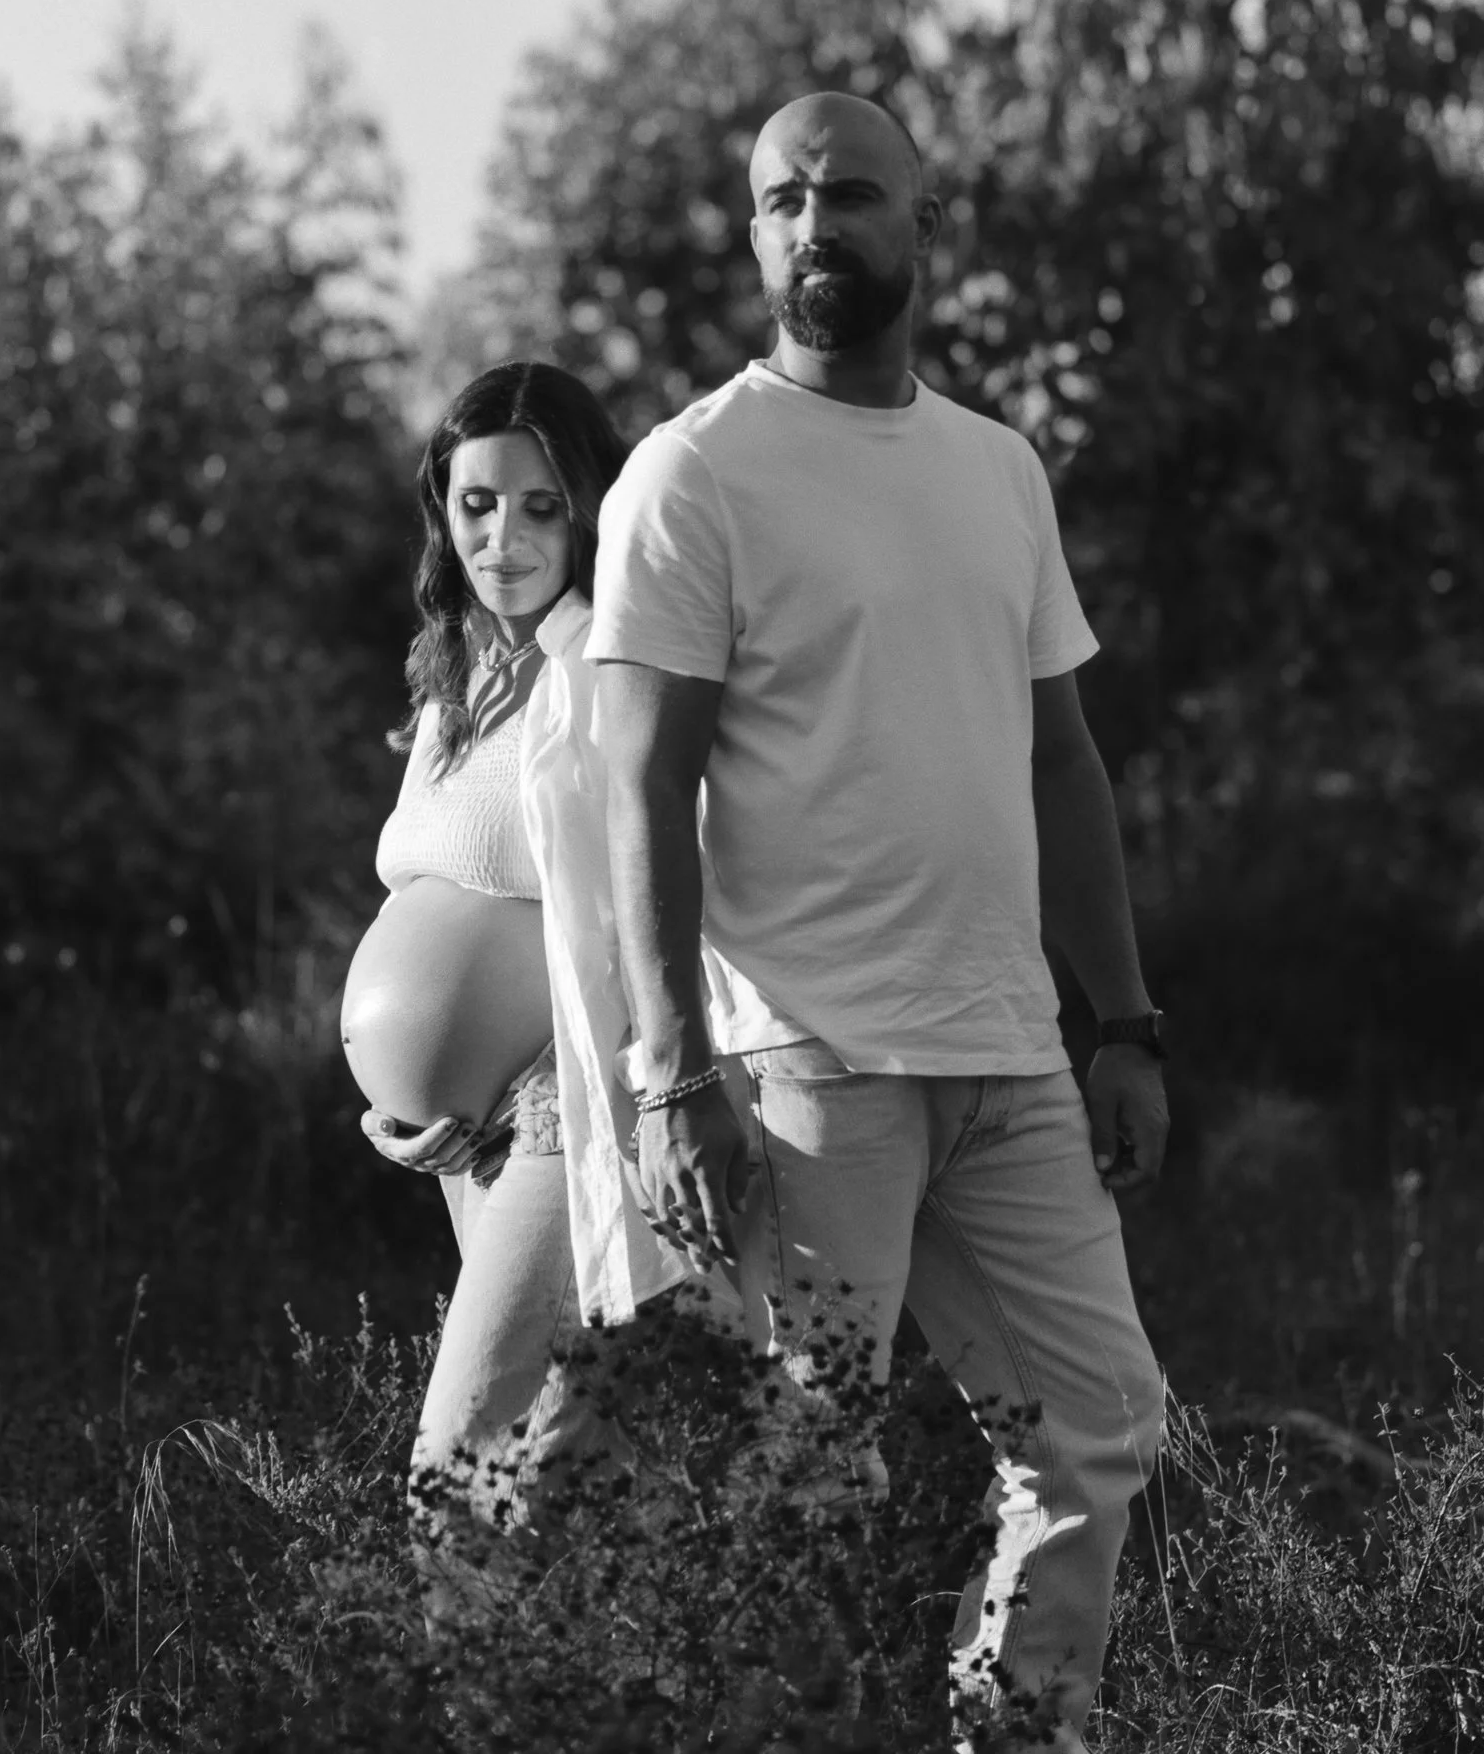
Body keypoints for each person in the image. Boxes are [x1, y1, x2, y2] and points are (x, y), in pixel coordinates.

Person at [590, 93, 1170, 1753]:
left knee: (1098, 1425)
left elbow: (1063, 763)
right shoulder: (693, 474)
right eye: (783, 201)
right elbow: (646, 788)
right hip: (805, 1061)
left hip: (1010, 1055)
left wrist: (1122, 1022)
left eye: (850, 194)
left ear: (924, 225)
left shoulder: (997, 470)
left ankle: (1018, 1733)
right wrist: (669, 1071)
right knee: (812, 1470)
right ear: (757, 236)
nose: (815, 224)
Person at [341, 360, 694, 1624]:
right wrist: (403, 1105)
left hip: (564, 1108)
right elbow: (426, 897)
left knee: (461, 1466)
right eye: (477, 503)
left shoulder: (610, 663)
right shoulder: (449, 682)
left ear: (591, 506)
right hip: (463, 1143)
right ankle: (625, 1696)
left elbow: (657, 889)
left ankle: (466, 1706)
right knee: (580, 1458)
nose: (503, 537)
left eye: (543, 506)